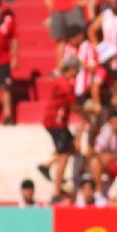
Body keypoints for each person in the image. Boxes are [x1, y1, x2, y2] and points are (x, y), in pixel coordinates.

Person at [41, 57, 80, 198]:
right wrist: (90, 112)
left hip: (57, 121)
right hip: (56, 123)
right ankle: (56, 191)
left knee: (72, 148)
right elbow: (74, 106)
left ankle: (47, 164)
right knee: (64, 155)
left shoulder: (59, 81)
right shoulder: (65, 85)